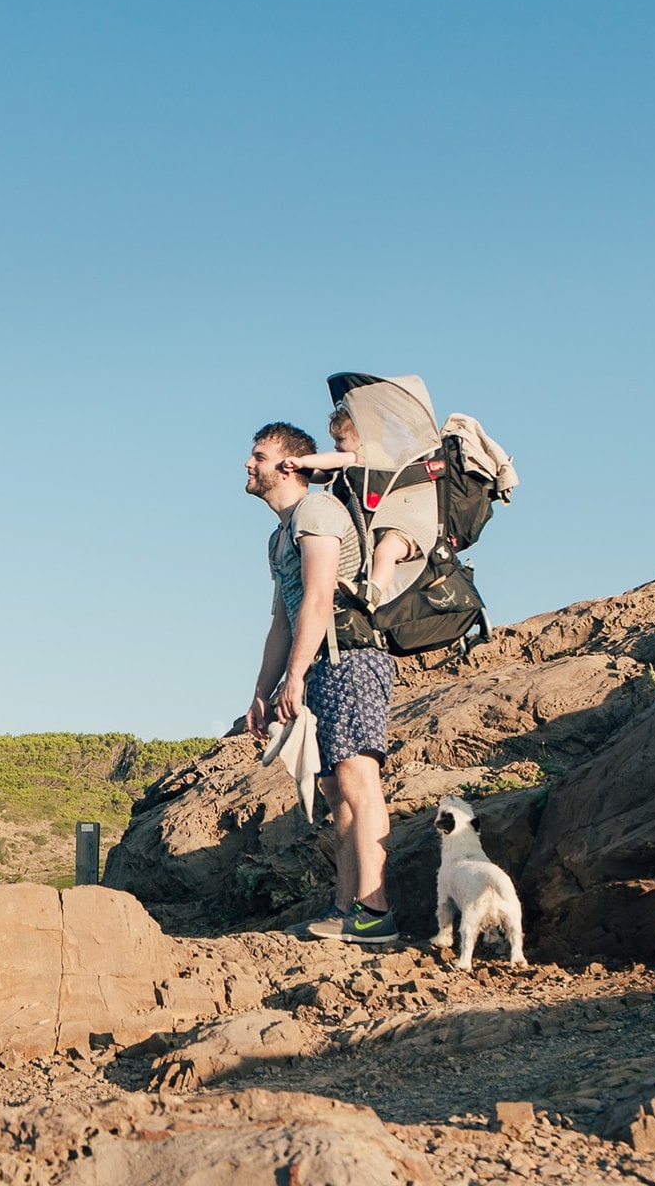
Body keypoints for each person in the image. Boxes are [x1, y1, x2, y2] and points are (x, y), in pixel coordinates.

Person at [243, 421, 399, 943]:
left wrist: (295, 675)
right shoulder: (279, 535)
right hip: (322, 665)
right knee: (336, 791)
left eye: (259, 456)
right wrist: (262, 692)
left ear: (289, 466)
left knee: (359, 781)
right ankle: (346, 910)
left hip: (351, 658)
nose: (249, 464)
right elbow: (282, 622)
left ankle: (375, 912)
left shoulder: (317, 512)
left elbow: (317, 597)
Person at [278, 404, 434, 609]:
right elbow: (325, 474)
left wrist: (302, 461)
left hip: (407, 526)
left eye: (340, 440)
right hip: (387, 524)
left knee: (386, 551)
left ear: (363, 437)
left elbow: (338, 459)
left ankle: (373, 593)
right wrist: (296, 471)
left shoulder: (371, 455)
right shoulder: (353, 464)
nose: (336, 446)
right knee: (383, 551)